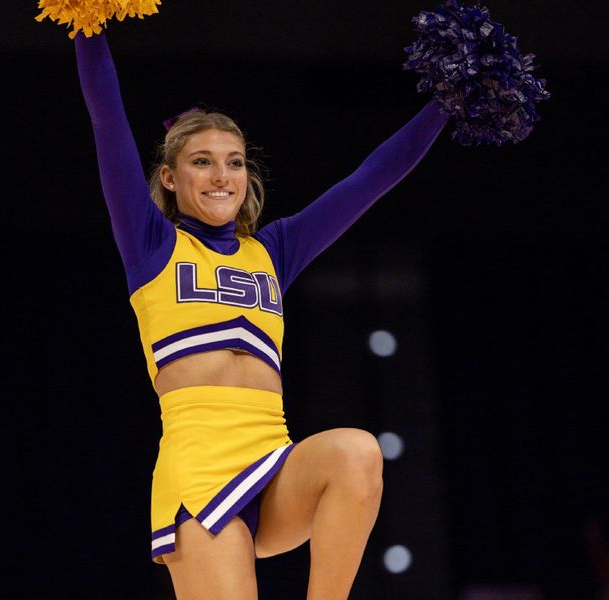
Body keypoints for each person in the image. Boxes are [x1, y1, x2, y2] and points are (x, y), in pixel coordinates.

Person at [74, 26, 449, 599]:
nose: (222, 176)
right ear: (171, 179)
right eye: (202, 162)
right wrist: (88, 27)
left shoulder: (271, 251)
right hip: (198, 469)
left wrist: (446, 104)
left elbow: (371, 178)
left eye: (234, 162)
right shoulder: (152, 245)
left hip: (271, 461)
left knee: (357, 451)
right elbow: (108, 123)